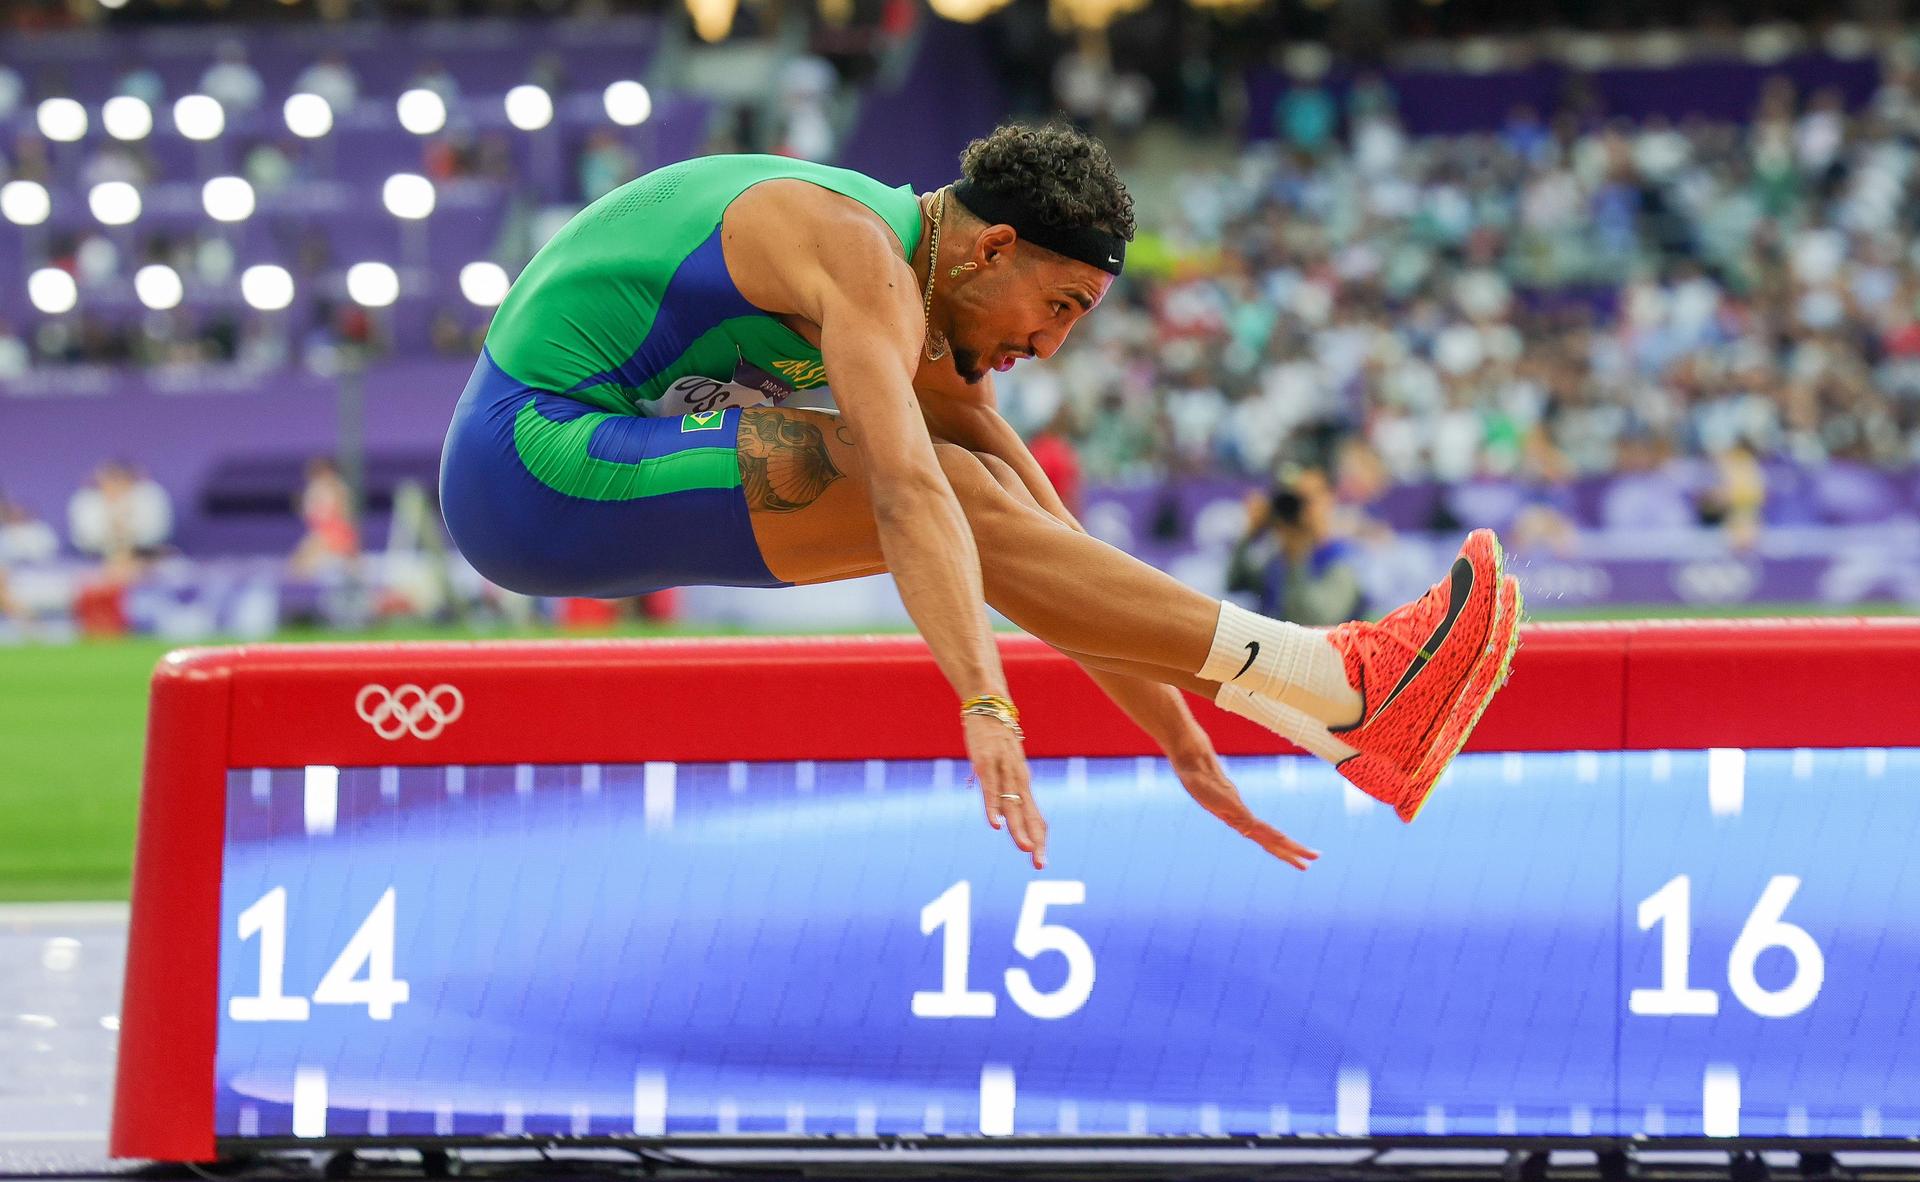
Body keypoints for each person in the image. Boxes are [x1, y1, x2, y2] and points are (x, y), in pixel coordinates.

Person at [439, 123, 1522, 871]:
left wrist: (1189, 730)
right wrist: (986, 701)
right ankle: (1344, 680)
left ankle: (1332, 716)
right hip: (528, 463)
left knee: (994, 484)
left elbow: (1045, 540)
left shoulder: (928, 283)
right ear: (993, 247)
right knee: (945, 480)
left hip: (584, 455)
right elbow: (916, 496)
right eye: (1056, 306)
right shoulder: (859, 261)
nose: (1047, 346)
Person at [1226, 470, 1364, 627]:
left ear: (1329, 501)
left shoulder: (1341, 560)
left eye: (1306, 501)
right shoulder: (1276, 558)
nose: (1297, 510)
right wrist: (1251, 532)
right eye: (1293, 499)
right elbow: (1234, 583)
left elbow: (1316, 621)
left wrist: (1296, 558)